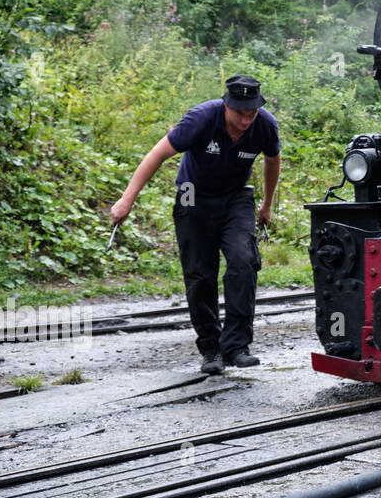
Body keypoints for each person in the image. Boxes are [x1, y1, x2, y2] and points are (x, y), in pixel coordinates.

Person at [111, 75, 281, 374]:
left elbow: (272, 159)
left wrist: (267, 203)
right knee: (200, 275)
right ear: (226, 105)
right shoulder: (201, 118)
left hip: (236, 197)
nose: (245, 121)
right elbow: (157, 155)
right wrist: (127, 199)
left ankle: (237, 346)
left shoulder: (265, 124)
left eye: (251, 113)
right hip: (192, 195)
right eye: (240, 114)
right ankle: (211, 350)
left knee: (243, 261)